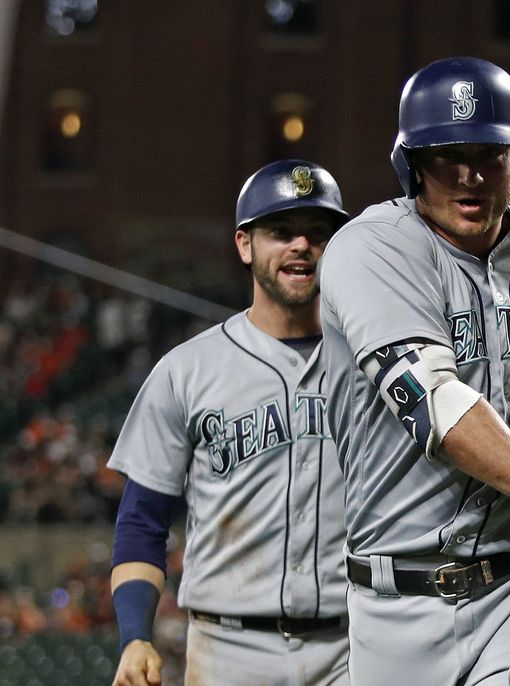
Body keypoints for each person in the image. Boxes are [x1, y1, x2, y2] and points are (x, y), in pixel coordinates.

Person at [317, 56, 510, 686]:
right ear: (412, 163)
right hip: (398, 603)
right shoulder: (372, 249)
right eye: (448, 155)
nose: (470, 175)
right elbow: (435, 406)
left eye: (489, 154)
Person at [107, 160, 352, 686]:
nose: (301, 247)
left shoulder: (374, 365)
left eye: (318, 234)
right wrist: (135, 637)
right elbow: (142, 522)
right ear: (246, 245)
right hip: (228, 649)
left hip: (354, 644)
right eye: (280, 232)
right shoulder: (186, 371)